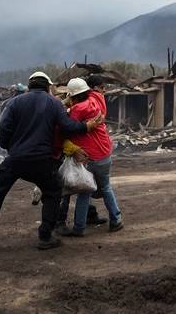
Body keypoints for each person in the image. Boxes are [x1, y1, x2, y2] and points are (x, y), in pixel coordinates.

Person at [0, 72, 103, 251]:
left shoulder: (14, 103)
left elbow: (3, 129)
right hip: (41, 160)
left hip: (16, 159)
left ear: (29, 86)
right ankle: (45, 236)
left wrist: (11, 147)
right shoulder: (54, 103)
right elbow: (67, 127)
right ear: (48, 87)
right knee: (53, 191)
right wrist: (86, 126)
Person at [60, 77, 123, 237]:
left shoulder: (77, 109)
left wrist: (65, 105)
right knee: (106, 187)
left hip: (88, 157)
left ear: (73, 95)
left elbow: (69, 128)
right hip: (105, 153)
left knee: (84, 192)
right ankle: (116, 220)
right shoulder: (96, 100)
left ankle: (79, 228)